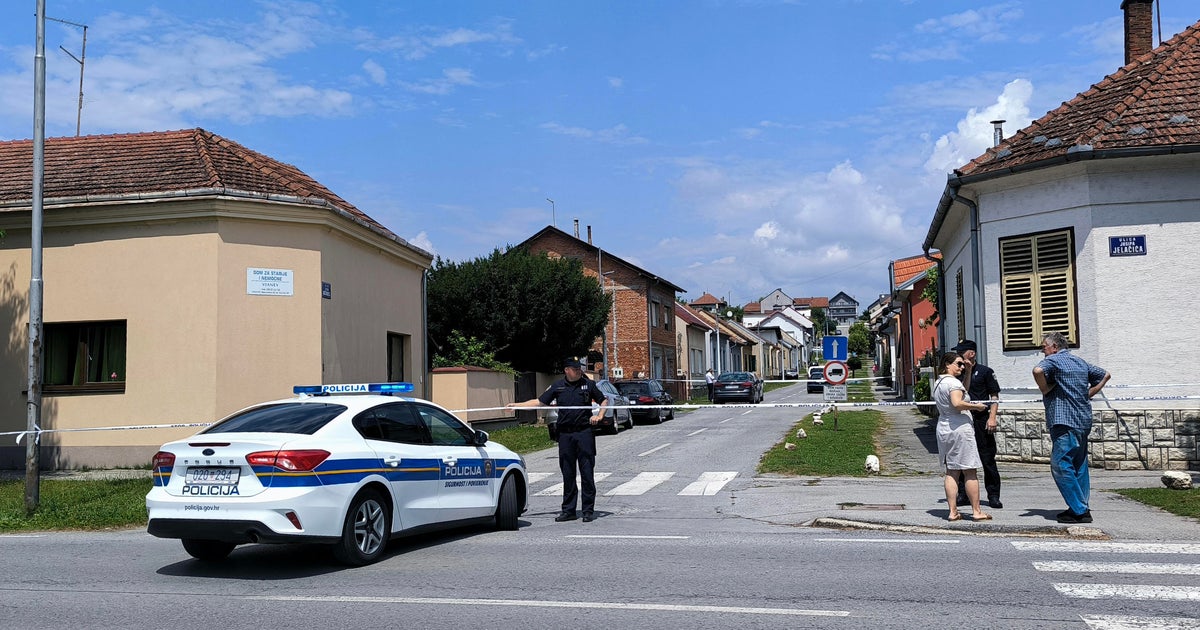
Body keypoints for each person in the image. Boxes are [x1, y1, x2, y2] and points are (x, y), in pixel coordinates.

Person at [508, 358, 607, 523]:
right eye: (575, 369)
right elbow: (539, 402)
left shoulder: (588, 385)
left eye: (579, 368)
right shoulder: (558, 386)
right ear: (567, 370)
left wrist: (600, 415)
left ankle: (588, 511)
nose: (579, 371)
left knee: (587, 473)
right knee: (568, 474)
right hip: (565, 435)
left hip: (584, 433)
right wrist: (517, 405)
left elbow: (603, 400)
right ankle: (568, 511)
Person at [1033, 332, 1111, 524]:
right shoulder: (1080, 362)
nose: (1042, 350)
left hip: (1064, 420)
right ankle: (1082, 505)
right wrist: (1088, 393)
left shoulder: (1054, 360)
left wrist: (1045, 388)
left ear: (1054, 347)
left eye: (1044, 346)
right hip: (1083, 420)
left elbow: (1037, 370)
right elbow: (1105, 375)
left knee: (1060, 464)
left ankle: (1079, 510)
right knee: (1079, 465)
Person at [932, 351, 992, 522]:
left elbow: (962, 391)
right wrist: (976, 406)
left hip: (944, 427)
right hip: (959, 427)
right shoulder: (952, 382)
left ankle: (952, 511)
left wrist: (968, 373)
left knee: (951, 471)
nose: (962, 367)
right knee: (970, 470)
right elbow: (957, 403)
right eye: (958, 364)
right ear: (947, 364)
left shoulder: (939, 382)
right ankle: (976, 511)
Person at [952, 340, 1003, 509]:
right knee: (962, 458)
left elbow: (994, 396)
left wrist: (992, 417)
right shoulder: (958, 373)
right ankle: (963, 494)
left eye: (961, 352)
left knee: (987, 458)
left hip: (981, 419)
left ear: (971, 353)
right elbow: (961, 393)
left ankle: (993, 495)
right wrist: (966, 371)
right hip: (963, 419)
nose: (959, 355)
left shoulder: (986, 372)